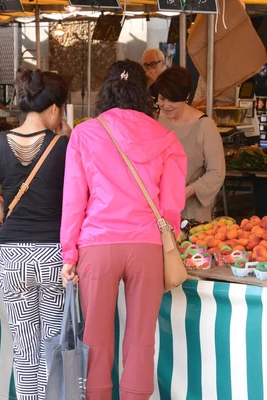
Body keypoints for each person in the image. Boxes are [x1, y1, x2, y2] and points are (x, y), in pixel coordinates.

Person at [60, 60, 187, 400]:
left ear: (106, 92)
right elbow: (172, 206)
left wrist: (68, 253)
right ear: (144, 95)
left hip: (97, 244)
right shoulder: (166, 138)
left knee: (97, 336)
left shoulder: (85, 133)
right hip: (146, 245)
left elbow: (74, 199)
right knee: (141, 337)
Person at [0, 69, 71, 400]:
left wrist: (13, 219)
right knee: (52, 340)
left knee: (24, 344)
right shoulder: (64, 145)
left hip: (13, 255)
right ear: (53, 108)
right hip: (54, 255)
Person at [152, 66, 226, 222]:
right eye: (162, 98)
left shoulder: (205, 126)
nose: (166, 105)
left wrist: (189, 191)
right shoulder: (153, 121)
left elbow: (217, 172)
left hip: (191, 215)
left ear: (186, 97)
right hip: (154, 213)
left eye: (173, 99)